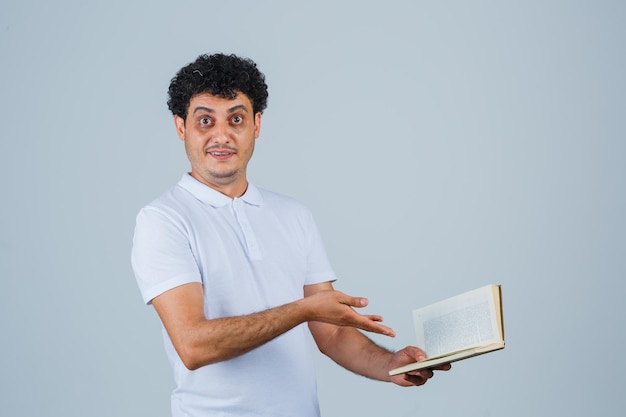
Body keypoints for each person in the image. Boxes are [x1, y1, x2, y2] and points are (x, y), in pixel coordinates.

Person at [131, 53, 449, 417]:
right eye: (205, 121)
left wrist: (393, 364)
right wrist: (302, 310)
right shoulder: (163, 220)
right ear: (180, 127)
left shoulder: (294, 215)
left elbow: (331, 333)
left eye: (236, 119)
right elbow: (193, 345)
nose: (222, 135)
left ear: (257, 125)